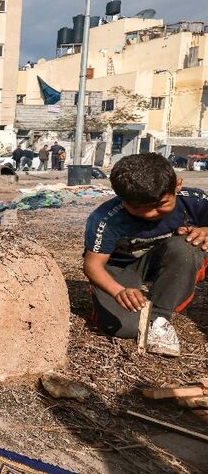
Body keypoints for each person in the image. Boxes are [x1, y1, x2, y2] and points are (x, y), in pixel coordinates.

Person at [83, 153, 206, 357]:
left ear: (177, 186)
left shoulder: (195, 201)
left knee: (188, 246)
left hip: (162, 260)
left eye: (160, 204)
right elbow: (92, 266)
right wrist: (117, 291)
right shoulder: (105, 218)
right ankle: (110, 303)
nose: (149, 214)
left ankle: (160, 317)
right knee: (126, 328)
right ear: (120, 197)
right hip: (119, 268)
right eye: (137, 207)